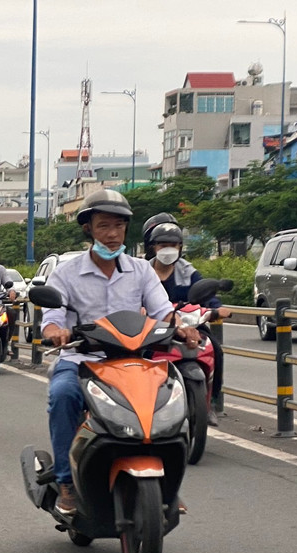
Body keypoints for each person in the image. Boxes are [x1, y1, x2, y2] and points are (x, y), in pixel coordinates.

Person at [40, 190, 201, 515]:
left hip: (134, 362)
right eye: (103, 226)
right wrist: (55, 332)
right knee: (63, 395)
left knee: (173, 397)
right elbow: (52, 318)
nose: (112, 234)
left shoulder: (141, 271)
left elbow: (162, 311)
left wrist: (182, 327)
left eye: (118, 226)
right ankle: (66, 481)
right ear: (88, 229)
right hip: (82, 361)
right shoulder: (66, 274)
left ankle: (168, 484)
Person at [142, 214, 229, 424]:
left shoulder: (187, 271)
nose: (168, 249)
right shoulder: (142, 270)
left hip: (190, 324)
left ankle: (212, 402)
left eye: (173, 245)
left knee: (215, 349)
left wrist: (217, 308)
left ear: (180, 247)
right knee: (139, 352)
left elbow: (206, 294)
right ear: (153, 247)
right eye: (163, 245)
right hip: (154, 327)